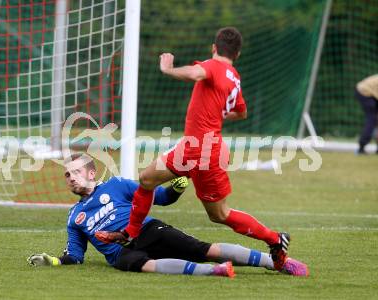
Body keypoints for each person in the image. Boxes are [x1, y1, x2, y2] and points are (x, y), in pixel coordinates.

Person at [95, 27, 291, 271]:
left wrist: (168, 69)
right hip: (196, 147)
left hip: (203, 151)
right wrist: (215, 114)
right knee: (150, 181)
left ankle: (274, 239)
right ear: (238, 53)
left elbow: (195, 73)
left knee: (216, 213)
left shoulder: (213, 66)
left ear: (214, 47)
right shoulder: (234, 77)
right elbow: (242, 112)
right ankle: (130, 233)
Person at [27, 154, 309, 277]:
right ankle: (216, 272)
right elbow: (75, 255)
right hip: (121, 254)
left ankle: (278, 263)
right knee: (142, 265)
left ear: (91, 173)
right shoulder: (74, 217)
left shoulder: (116, 185)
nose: (71, 178)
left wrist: (175, 188)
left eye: (76, 172)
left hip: (147, 230)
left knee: (204, 249)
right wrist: (52, 260)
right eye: (67, 175)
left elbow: (158, 197)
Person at [355, 74, 378, 154]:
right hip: (364, 92)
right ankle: (361, 147)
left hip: (368, 91)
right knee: (372, 119)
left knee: (374, 119)